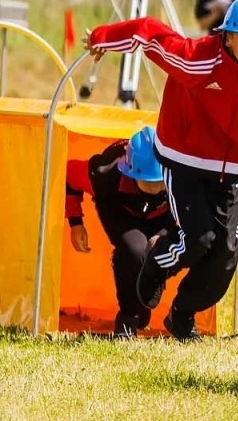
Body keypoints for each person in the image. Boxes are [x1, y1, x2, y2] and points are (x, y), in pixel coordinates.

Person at [87, 0, 238, 339]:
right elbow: (149, 32)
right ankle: (154, 266)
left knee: (227, 252)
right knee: (198, 238)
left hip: (232, 171)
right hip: (184, 161)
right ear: (225, 36)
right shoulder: (197, 59)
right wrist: (101, 39)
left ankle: (182, 314)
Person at [65, 127, 178, 337]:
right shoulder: (103, 174)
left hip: (163, 217)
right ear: (130, 170)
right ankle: (127, 319)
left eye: (160, 183)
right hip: (120, 211)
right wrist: (75, 222)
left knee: (159, 249)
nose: (156, 190)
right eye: (148, 183)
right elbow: (69, 175)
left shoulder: (178, 177)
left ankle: (150, 283)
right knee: (133, 250)